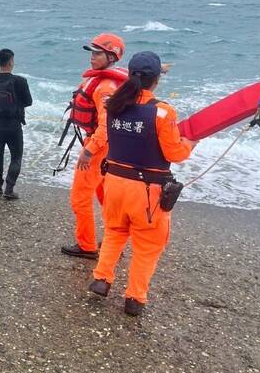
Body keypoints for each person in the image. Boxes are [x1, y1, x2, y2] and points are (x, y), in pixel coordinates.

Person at [87, 51, 197, 316]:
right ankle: (134, 298)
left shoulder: (113, 104)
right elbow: (174, 154)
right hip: (147, 191)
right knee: (147, 245)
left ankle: (101, 279)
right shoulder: (162, 112)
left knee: (114, 232)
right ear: (156, 80)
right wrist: (190, 143)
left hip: (114, 183)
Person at [60, 33, 128, 259]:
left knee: (80, 198)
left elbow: (106, 125)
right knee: (103, 195)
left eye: (98, 53)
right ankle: (112, 241)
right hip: (108, 148)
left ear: (111, 57)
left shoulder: (105, 87)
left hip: (98, 147)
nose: (92, 57)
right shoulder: (106, 82)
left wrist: (89, 151)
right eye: (92, 52)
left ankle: (87, 246)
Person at [0, 49, 33, 199]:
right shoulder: (20, 81)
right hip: (13, 125)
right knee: (16, 157)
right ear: (11, 61)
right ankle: (9, 190)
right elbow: (28, 102)